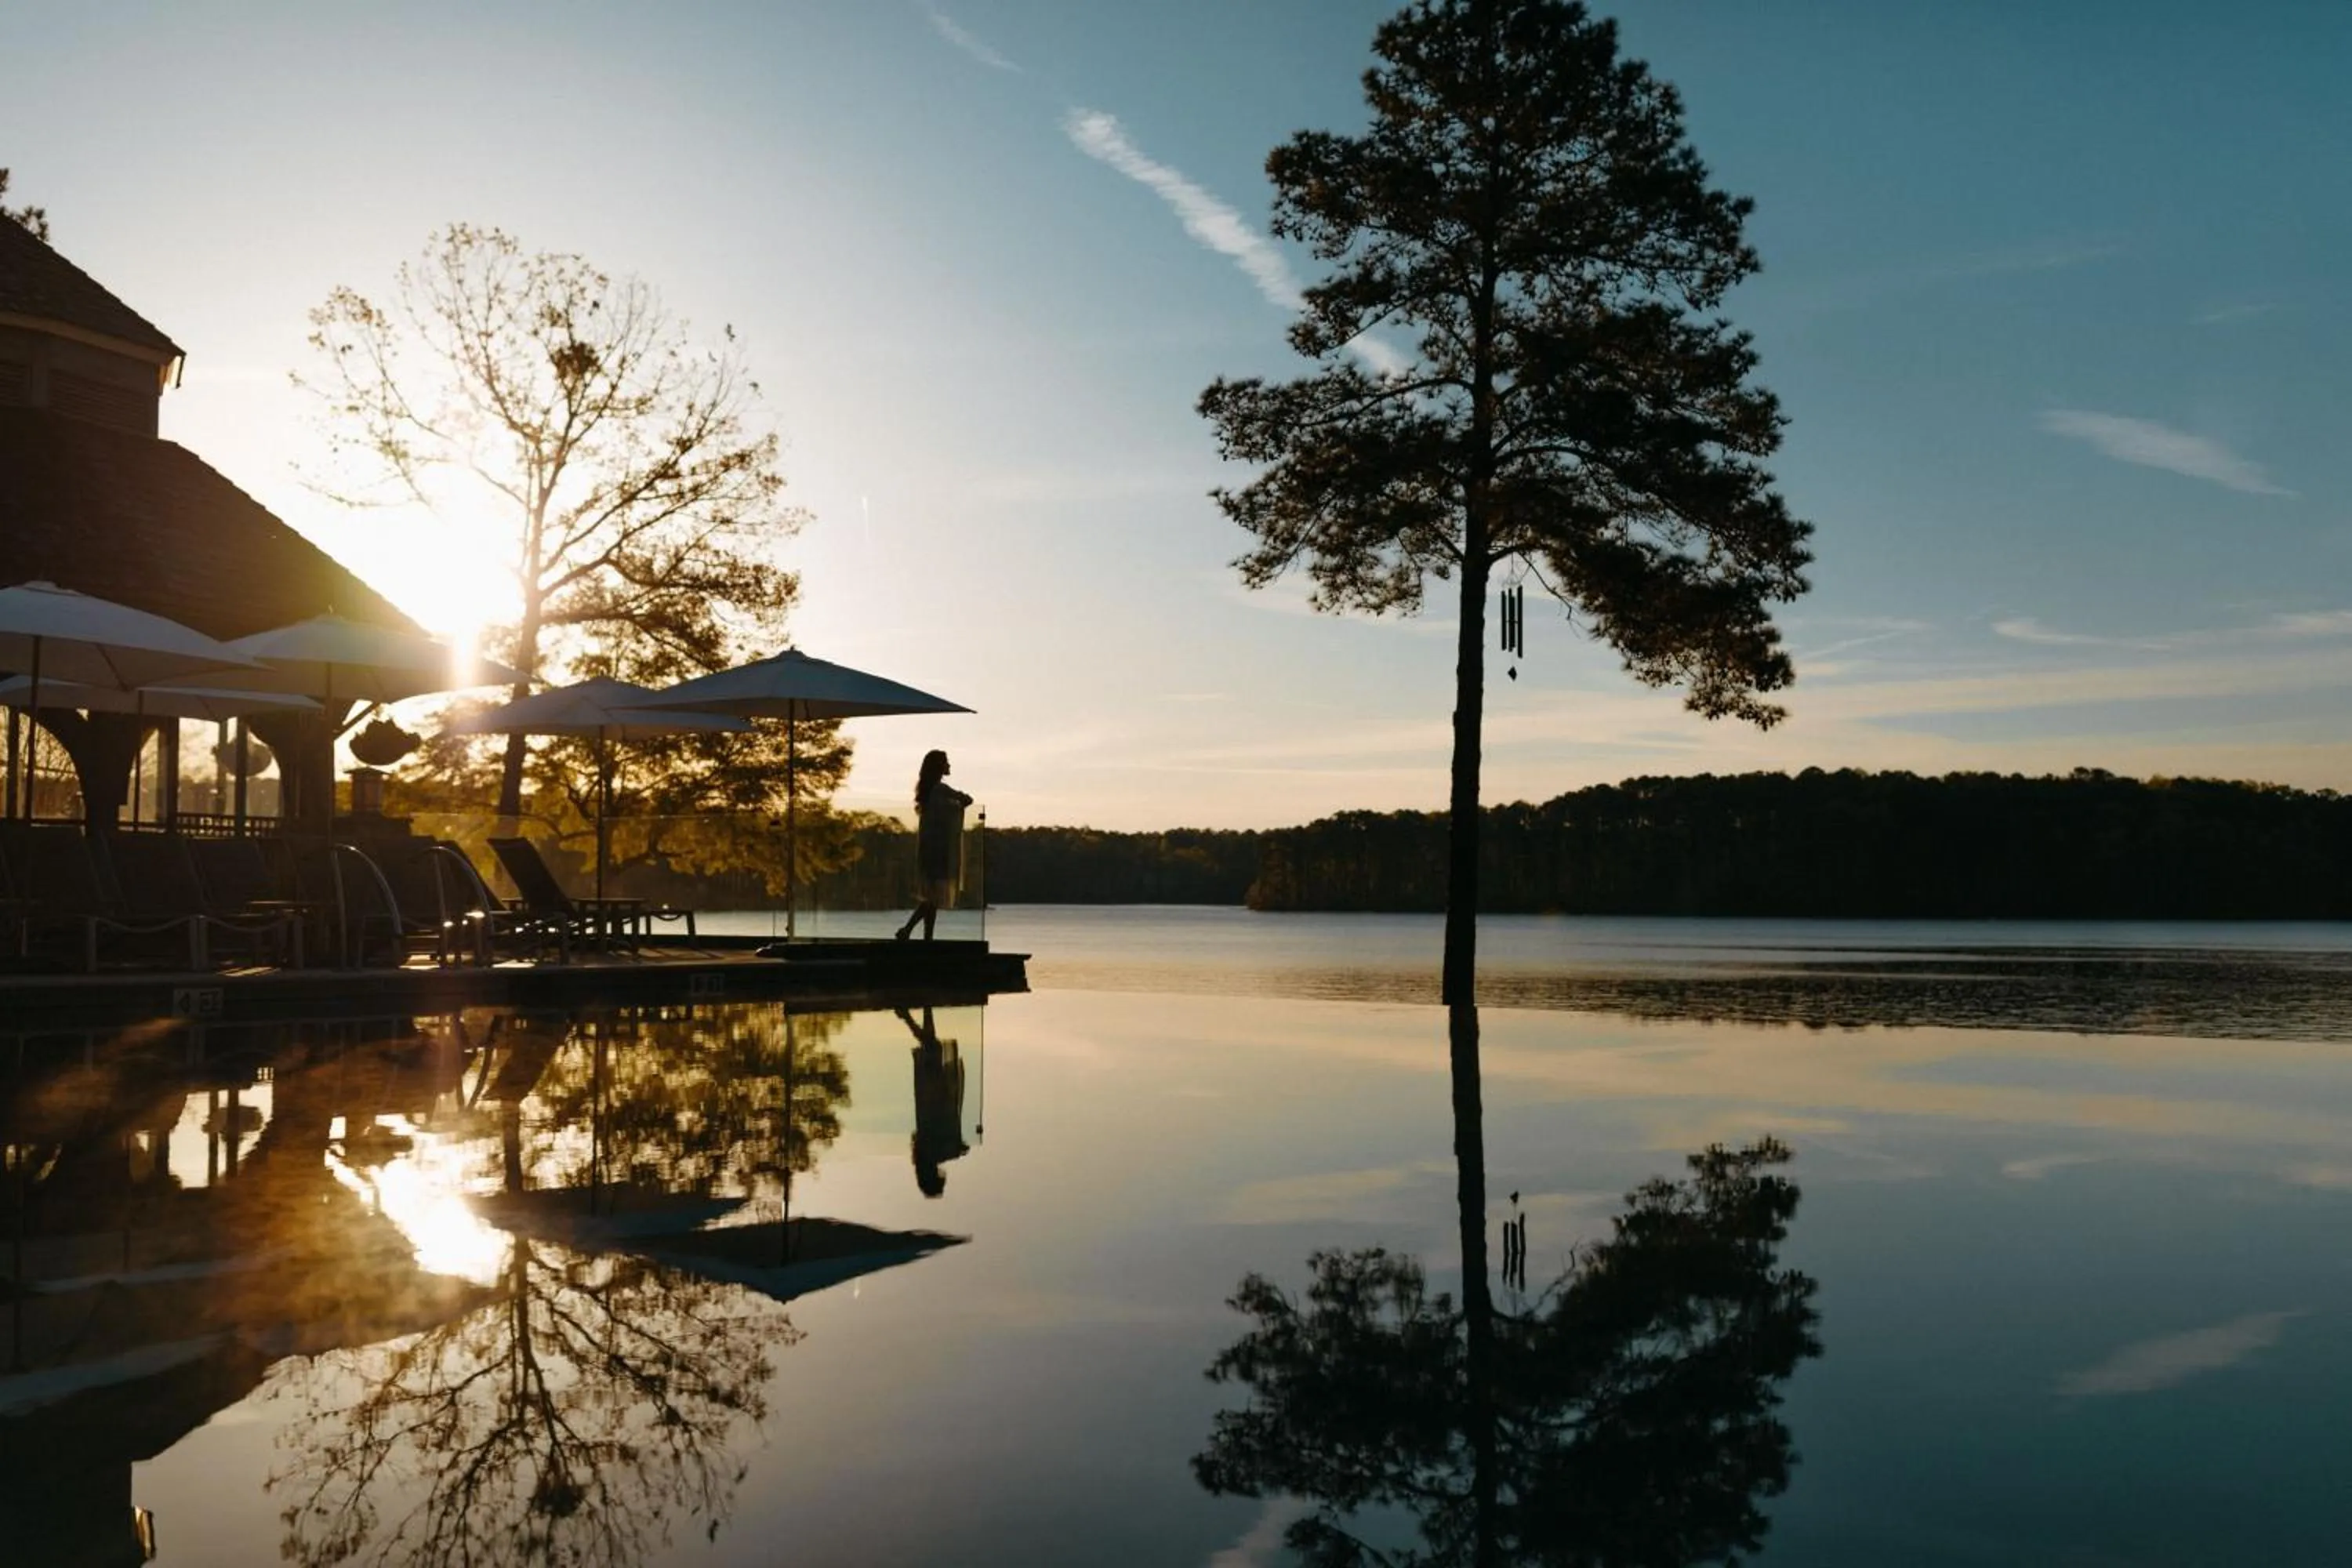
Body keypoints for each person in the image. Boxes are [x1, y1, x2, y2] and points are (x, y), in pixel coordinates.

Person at [895, 749, 971, 941]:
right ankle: (908, 930)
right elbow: (967, 799)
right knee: (933, 898)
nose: (949, 765)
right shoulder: (940, 790)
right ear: (939, 766)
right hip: (938, 850)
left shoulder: (928, 791)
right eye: (946, 762)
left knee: (932, 898)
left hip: (928, 849)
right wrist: (957, 806)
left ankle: (925, 936)